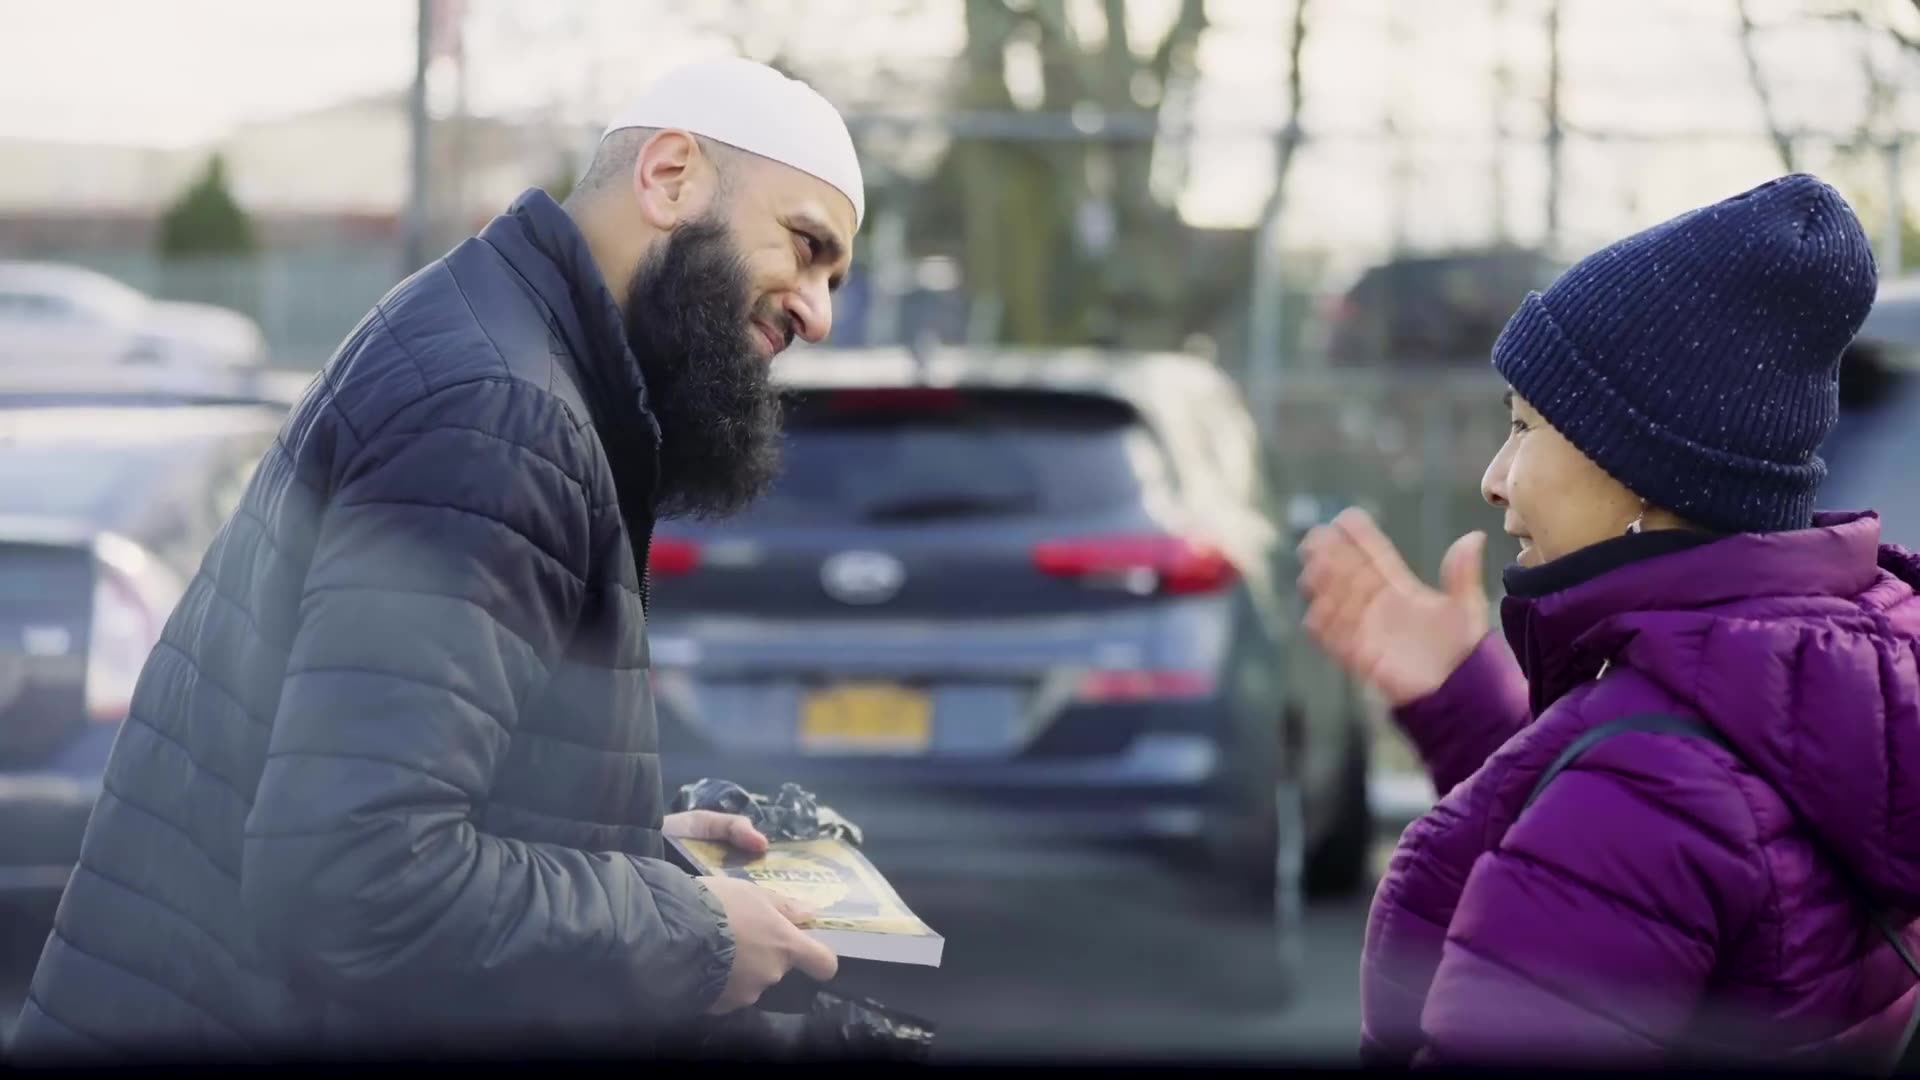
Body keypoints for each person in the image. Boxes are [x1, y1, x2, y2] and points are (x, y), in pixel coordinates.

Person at [7, 56, 861, 1063]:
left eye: (834, 280)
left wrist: (631, 848)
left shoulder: (496, 339)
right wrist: (695, 934)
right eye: (806, 246)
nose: (818, 313)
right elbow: (357, 876)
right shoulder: (502, 409)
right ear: (670, 176)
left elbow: (388, 781)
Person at [1298, 174, 1920, 1069]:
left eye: (1526, 427)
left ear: (1643, 467)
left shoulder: (1644, 790)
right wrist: (1464, 703)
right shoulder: (1826, 687)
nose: (1495, 477)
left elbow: (1625, 838)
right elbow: (1640, 854)